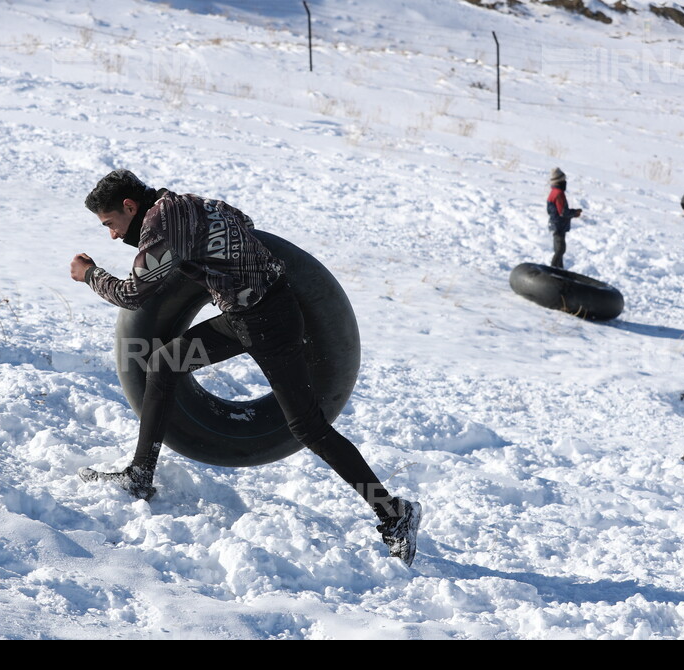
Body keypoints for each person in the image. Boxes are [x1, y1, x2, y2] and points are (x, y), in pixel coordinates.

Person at [69, 169, 422, 566]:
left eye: (111, 224)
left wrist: (90, 275)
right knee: (164, 363)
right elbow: (244, 223)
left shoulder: (161, 223)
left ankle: (394, 512)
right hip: (244, 316)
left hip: (268, 325)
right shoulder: (191, 204)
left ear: (130, 207)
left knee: (308, 428)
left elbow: (132, 294)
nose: (113, 235)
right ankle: (139, 474)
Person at [547, 167, 583, 269]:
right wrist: (575, 213)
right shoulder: (558, 193)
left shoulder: (553, 191)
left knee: (559, 249)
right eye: (563, 180)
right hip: (559, 225)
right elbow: (563, 212)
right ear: (560, 180)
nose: (565, 182)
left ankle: (560, 269)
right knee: (560, 249)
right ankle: (553, 269)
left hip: (555, 223)